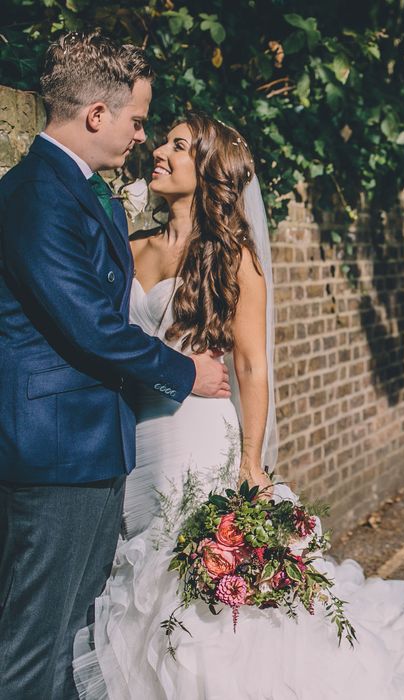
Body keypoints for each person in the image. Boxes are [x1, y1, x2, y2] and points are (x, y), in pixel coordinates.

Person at [72, 112, 404, 699]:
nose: (160, 152)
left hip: (196, 438)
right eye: (164, 142)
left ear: (207, 169)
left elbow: (251, 365)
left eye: (178, 146)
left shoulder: (234, 258)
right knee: (139, 584)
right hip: (135, 437)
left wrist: (251, 463)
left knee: (194, 590)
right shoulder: (130, 247)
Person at [0, 32, 230, 699]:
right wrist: (187, 375)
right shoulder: (37, 196)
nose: (140, 136)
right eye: (136, 119)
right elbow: (93, 329)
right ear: (97, 115)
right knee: (34, 651)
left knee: (74, 642)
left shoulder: (82, 189)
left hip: (89, 449)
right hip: (53, 456)